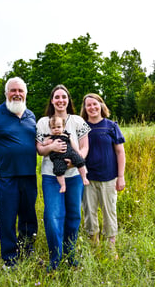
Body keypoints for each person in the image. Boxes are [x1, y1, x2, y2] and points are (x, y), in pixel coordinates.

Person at [0, 77, 38, 269]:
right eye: (13, 90)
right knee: (7, 217)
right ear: (6, 93)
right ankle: (10, 259)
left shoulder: (31, 116)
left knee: (29, 217)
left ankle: (27, 252)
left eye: (20, 91)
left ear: (25, 94)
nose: (17, 94)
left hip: (29, 176)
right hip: (6, 177)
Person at [36, 84, 91, 271]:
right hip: (51, 176)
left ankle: (70, 254)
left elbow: (84, 148)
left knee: (74, 215)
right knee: (53, 216)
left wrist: (75, 162)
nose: (60, 100)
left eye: (64, 97)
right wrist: (51, 148)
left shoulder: (77, 121)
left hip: (74, 176)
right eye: (57, 97)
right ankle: (55, 258)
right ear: (52, 100)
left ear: (68, 100)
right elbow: (40, 150)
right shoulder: (43, 122)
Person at [80, 93, 125, 254]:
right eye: (88, 105)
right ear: (84, 108)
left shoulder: (111, 126)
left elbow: (120, 152)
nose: (92, 107)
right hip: (87, 179)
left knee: (109, 212)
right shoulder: (82, 127)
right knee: (89, 213)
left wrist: (121, 176)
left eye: (95, 104)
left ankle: (111, 248)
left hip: (109, 178)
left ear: (101, 105)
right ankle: (94, 246)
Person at [43, 115, 89, 193]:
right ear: (50, 129)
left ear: (63, 127)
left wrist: (78, 151)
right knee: (58, 170)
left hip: (70, 153)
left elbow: (73, 144)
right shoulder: (50, 137)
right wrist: (48, 143)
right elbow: (44, 143)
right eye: (53, 128)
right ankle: (63, 185)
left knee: (80, 162)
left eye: (58, 127)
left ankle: (84, 177)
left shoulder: (66, 135)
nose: (56, 129)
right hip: (58, 157)